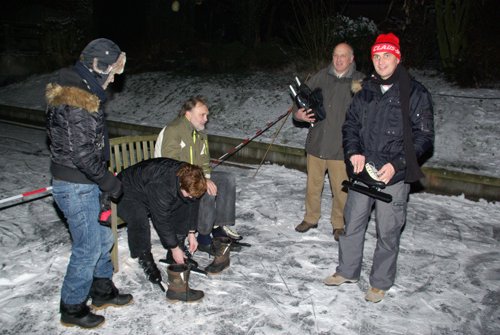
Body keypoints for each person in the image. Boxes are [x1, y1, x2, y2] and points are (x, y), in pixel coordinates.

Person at [323, 33, 434, 303]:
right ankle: (347, 270)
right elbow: (350, 126)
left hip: (392, 176)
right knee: (352, 224)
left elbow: (424, 138)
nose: (381, 61)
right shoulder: (365, 90)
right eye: (376, 56)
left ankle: (380, 282)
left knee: (388, 230)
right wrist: (354, 152)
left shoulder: (415, 93)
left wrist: (397, 165)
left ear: (397, 58)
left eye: (386, 56)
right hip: (362, 172)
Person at [46, 38, 132, 329]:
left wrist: (103, 181)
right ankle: (71, 306)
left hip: (85, 183)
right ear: (98, 67)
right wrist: (110, 183)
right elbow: (82, 155)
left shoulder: (82, 93)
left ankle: (101, 291)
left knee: (103, 239)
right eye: (111, 73)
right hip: (76, 185)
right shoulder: (75, 100)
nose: (112, 80)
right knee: (87, 248)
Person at [154, 96, 241, 268]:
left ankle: (220, 228)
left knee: (226, 179)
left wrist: (207, 177)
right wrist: (202, 180)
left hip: (193, 175)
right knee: (204, 190)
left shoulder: (200, 133)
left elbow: (204, 160)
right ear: (188, 114)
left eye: (206, 115)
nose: (206, 119)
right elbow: (170, 163)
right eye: (202, 115)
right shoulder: (174, 130)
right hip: (172, 179)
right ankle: (203, 236)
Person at [293, 43, 365, 241]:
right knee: (313, 185)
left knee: (341, 189)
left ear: (351, 58)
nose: (338, 59)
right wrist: (298, 114)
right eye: (335, 55)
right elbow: (301, 98)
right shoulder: (321, 76)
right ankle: (310, 217)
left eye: (343, 56)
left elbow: (368, 113)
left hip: (342, 147)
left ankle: (339, 224)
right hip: (317, 142)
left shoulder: (359, 81)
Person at [117, 158, 207, 301]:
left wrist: (191, 232)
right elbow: (161, 220)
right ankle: (145, 259)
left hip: (148, 190)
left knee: (184, 202)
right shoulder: (162, 185)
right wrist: (173, 247)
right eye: (189, 193)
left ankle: (174, 254)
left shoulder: (189, 177)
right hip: (126, 191)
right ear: (181, 185)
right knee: (139, 217)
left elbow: (192, 201)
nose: (191, 197)